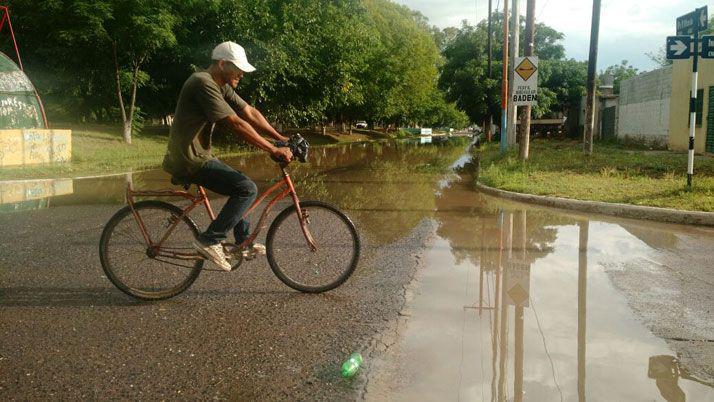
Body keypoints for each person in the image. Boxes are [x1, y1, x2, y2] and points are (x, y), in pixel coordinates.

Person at [162, 41, 293, 271]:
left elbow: (249, 112)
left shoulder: (219, 84)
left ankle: (242, 242)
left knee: (240, 184)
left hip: (198, 155)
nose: (241, 74)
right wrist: (272, 149)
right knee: (247, 188)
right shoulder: (202, 83)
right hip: (189, 159)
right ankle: (209, 240)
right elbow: (235, 123)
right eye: (237, 68)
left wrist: (280, 138)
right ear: (222, 64)